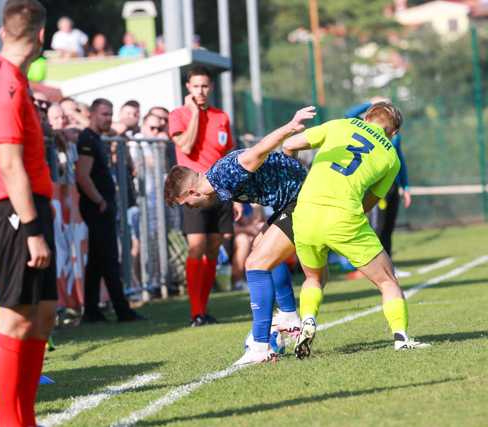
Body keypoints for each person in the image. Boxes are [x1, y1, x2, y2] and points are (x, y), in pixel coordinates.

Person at [165, 107, 315, 364]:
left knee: (255, 263)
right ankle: (289, 316)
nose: (190, 209)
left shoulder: (224, 172)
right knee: (260, 246)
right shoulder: (217, 182)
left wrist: (290, 126)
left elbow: (259, 150)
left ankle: (260, 346)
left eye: (186, 205)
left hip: (302, 199)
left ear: (192, 193)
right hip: (292, 201)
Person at [282, 102, 430, 359]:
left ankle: (307, 320)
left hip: (305, 212)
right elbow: (369, 203)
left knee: (313, 278)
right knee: (387, 280)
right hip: (344, 217)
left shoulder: (340, 124)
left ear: (367, 117)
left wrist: (297, 178)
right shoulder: (391, 158)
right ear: (393, 133)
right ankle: (401, 338)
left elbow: (290, 145)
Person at [0, 1, 56, 425]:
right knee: (16, 317)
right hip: (14, 212)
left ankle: (25, 417)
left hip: (29, 208)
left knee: (43, 314)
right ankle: (12, 421)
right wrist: (33, 228)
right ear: (41, 37)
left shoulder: (13, 79)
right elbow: (9, 163)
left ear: (4, 32)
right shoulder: (3, 83)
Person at [168, 66, 236, 327]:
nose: (201, 91)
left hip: (220, 190)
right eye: (196, 86)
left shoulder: (221, 117)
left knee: (213, 247)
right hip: (192, 191)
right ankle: (196, 311)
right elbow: (185, 145)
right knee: (196, 246)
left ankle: (203, 309)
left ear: (211, 87)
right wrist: (195, 113)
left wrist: (237, 196)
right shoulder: (179, 115)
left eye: (205, 86)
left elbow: (228, 157)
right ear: (188, 87)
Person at [75, 98, 144, 323]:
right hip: (97, 207)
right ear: (92, 114)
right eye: (104, 114)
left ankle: (91, 311)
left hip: (101, 205)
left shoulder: (97, 138)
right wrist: (99, 200)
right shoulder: (87, 139)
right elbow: (82, 176)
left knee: (96, 262)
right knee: (109, 259)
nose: (107, 118)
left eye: (110, 114)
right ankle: (122, 310)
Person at [345, 98, 412, 266]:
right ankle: (371, 266)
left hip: (392, 187)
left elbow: (400, 161)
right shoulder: (364, 127)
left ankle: (388, 265)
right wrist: (369, 102)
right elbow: (348, 116)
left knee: (388, 229)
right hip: (376, 186)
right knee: (377, 228)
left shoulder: (394, 136)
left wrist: (405, 186)